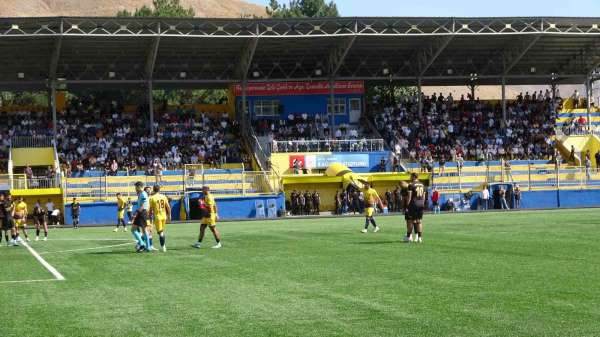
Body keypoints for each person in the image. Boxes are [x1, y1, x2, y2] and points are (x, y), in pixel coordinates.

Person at [406, 173, 427, 243]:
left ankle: (409, 237)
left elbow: (409, 197)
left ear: (413, 177)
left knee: (412, 221)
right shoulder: (422, 185)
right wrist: (423, 204)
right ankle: (420, 238)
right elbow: (424, 197)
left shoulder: (411, 185)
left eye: (411, 176)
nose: (410, 177)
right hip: (421, 204)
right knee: (419, 221)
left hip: (414, 204)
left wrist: (407, 205)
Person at [149, 185, 171, 252]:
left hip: (157, 216)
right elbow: (168, 207)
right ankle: (163, 246)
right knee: (161, 232)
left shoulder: (152, 198)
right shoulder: (163, 196)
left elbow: (150, 209)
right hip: (164, 216)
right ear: (159, 190)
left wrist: (149, 217)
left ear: (153, 189)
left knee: (160, 232)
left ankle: (163, 247)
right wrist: (169, 215)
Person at [131, 181, 151, 252]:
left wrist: (136, 213)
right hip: (142, 213)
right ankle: (147, 246)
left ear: (139, 187)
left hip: (142, 213)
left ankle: (142, 244)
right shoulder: (141, 194)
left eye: (136, 187)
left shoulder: (143, 194)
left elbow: (142, 205)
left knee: (133, 229)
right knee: (143, 230)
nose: (135, 189)